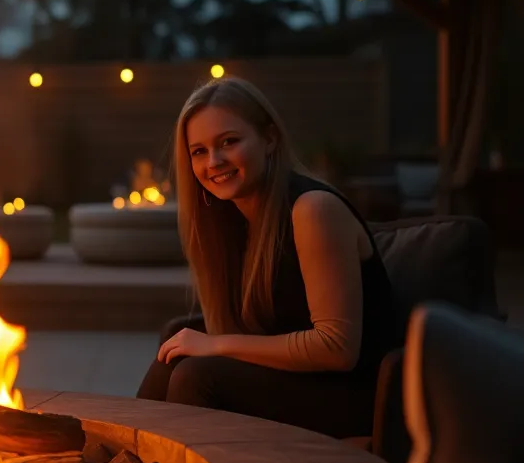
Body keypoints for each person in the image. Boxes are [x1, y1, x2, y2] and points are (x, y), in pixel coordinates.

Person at [136, 76, 397, 439]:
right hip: (299, 381)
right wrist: (206, 342)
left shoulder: (313, 210)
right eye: (199, 151)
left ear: (269, 139)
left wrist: (216, 344)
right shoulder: (232, 221)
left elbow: (337, 348)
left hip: (357, 394)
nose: (214, 161)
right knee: (176, 346)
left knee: (198, 375)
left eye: (229, 142)